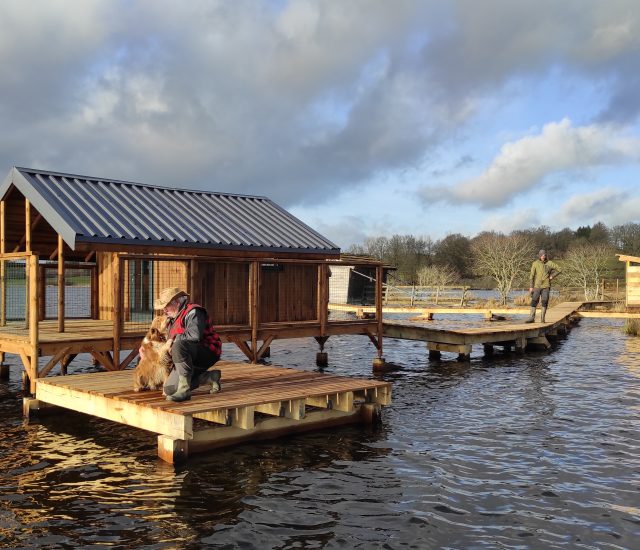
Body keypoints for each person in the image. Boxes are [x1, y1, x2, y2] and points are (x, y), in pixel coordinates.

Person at [153, 287, 222, 402]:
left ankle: (184, 390)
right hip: (189, 353)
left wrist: (173, 341)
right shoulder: (172, 318)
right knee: (170, 389)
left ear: (177, 302)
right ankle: (209, 377)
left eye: (166, 306)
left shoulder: (194, 311)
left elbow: (194, 336)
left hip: (208, 351)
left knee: (179, 345)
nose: (164, 310)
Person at [525, 249, 561, 323]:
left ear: (545, 255)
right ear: (539, 255)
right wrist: (531, 286)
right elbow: (531, 275)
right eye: (541, 255)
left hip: (546, 286)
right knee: (534, 301)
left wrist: (552, 276)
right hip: (537, 286)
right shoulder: (535, 263)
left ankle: (542, 319)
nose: (543, 256)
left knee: (544, 301)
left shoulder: (550, 263)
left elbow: (560, 269)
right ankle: (532, 318)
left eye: (544, 255)